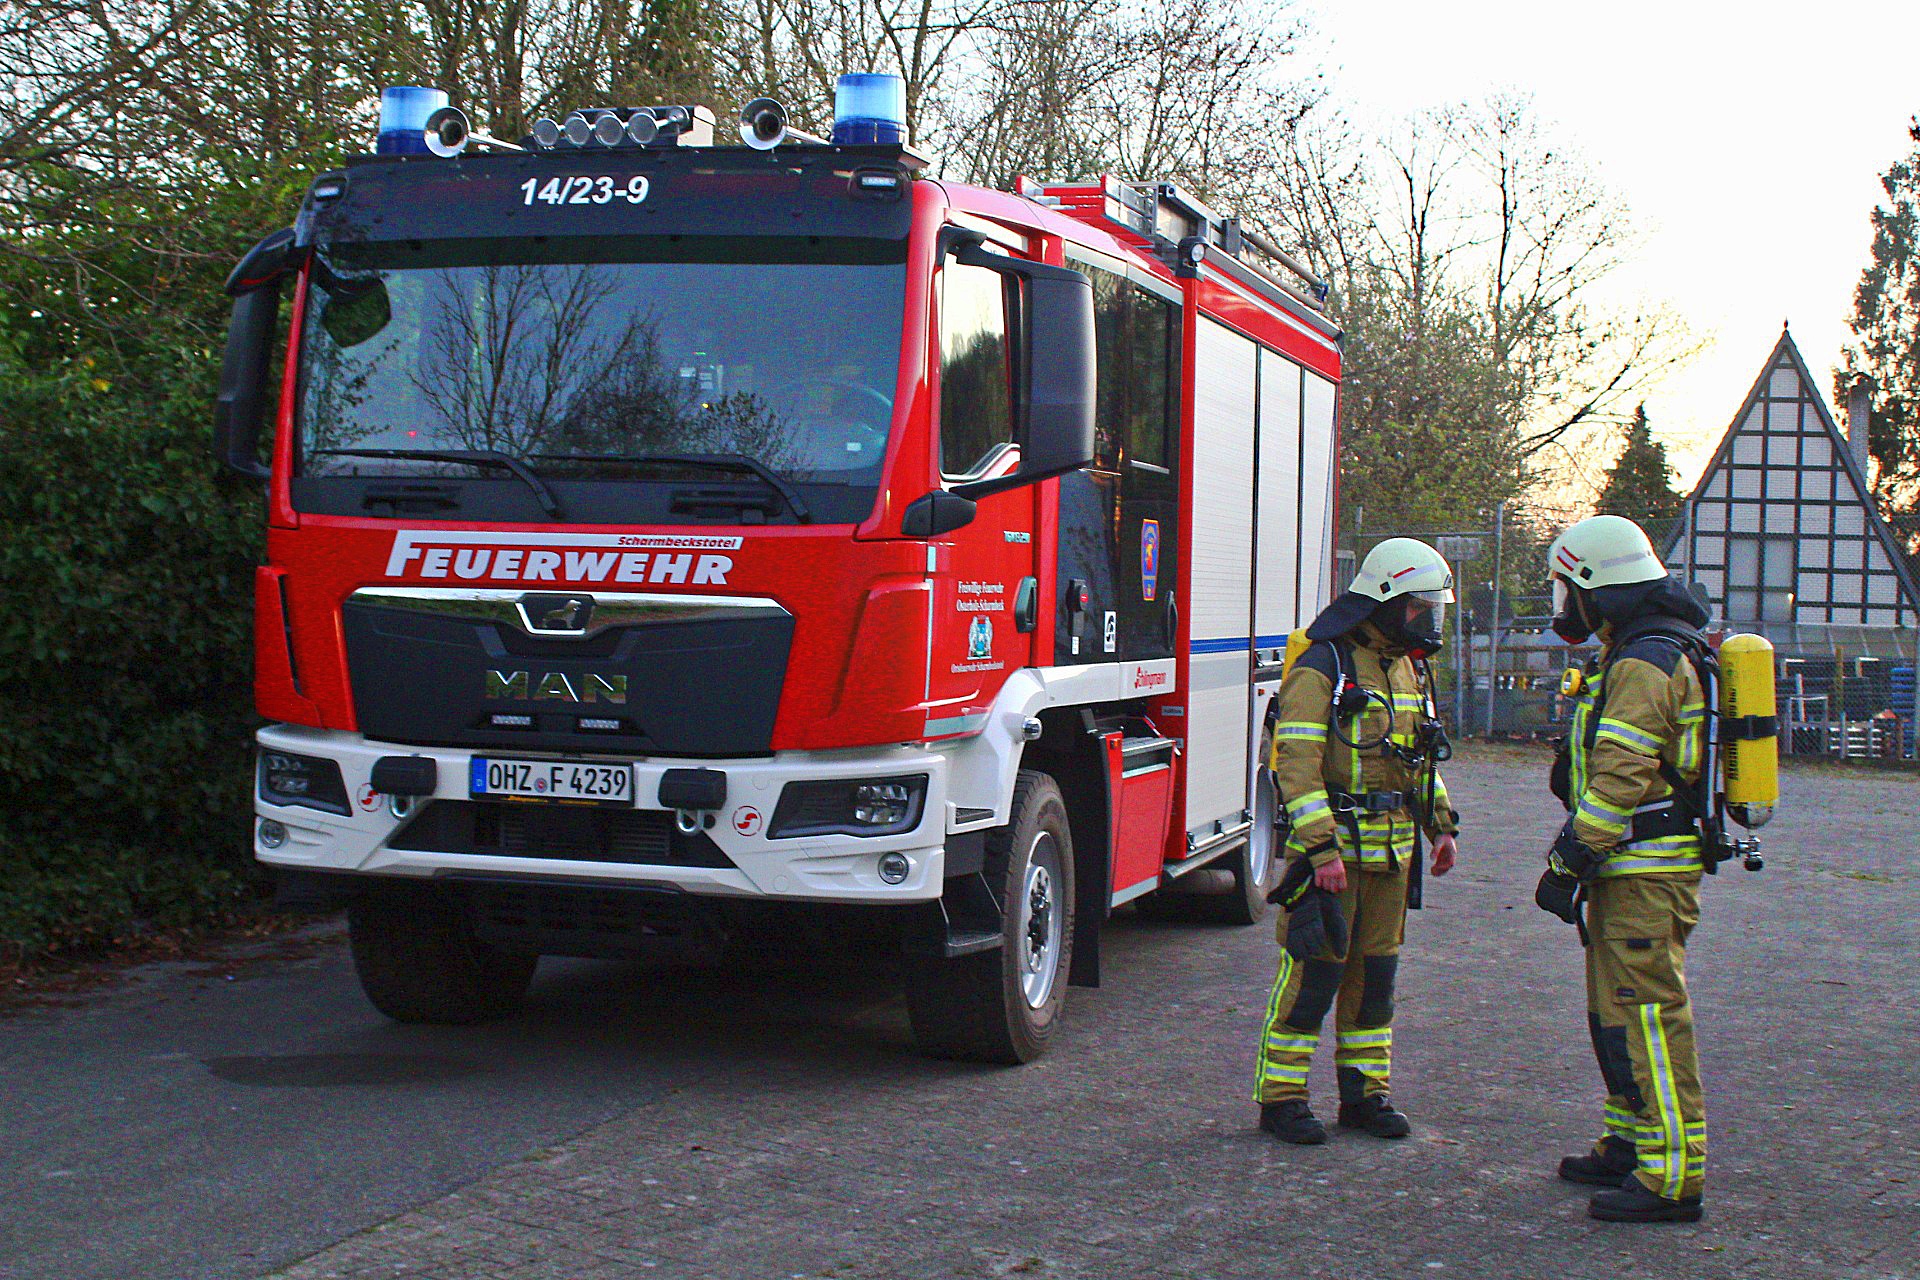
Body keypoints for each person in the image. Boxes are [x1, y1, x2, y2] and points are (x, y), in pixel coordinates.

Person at [1534, 514, 1711, 1223]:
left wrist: (1570, 859)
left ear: (1596, 587)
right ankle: (1630, 1144)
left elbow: (1621, 775)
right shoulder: (1635, 651)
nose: (1564, 606)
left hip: (1643, 871)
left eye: (1567, 590)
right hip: (1628, 868)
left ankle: (1672, 1178)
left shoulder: (1645, 661)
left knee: (1649, 1020)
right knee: (1614, 1013)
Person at [1254, 538, 1460, 1144]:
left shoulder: (1406, 667)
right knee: (1313, 977)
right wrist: (1320, 850)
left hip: (1392, 856)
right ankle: (1282, 1099)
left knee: (1376, 982)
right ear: (1387, 601)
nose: (1426, 621)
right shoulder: (1324, 664)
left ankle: (1365, 1096)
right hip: (1335, 856)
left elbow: (1418, 758)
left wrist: (1441, 826)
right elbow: (1294, 763)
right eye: (1419, 608)